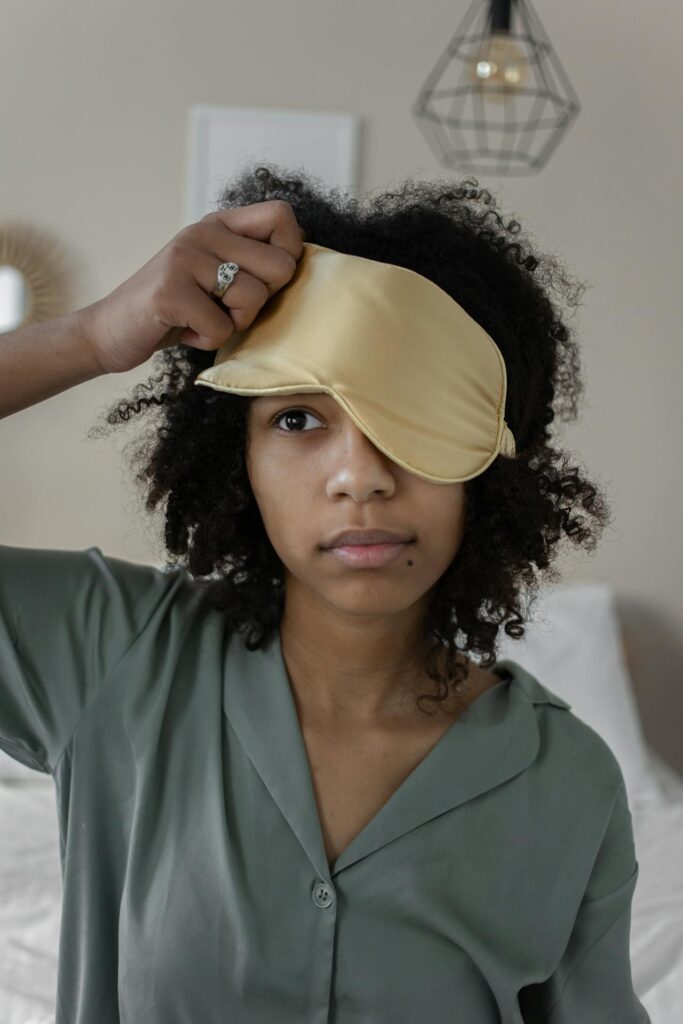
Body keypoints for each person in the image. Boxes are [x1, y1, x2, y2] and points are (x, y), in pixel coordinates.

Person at [0, 167, 651, 1022]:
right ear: (237, 455)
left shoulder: (568, 784)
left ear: (491, 462)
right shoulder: (109, 653)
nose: (361, 477)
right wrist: (89, 340)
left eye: (413, 413)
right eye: (298, 420)